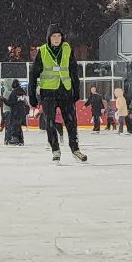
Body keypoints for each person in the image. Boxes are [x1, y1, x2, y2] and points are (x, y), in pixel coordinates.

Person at [30, 26, 88, 163]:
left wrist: (76, 90)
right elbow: (33, 73)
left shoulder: (67, 49)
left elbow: (73, 71)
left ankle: (75, 149)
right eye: (54, 36)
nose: (57, 39)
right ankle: (55, 150)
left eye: (59, 36)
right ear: (49, 38)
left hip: (65, 91)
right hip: (48, 93)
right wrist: (32, 95)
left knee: (71, 122)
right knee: (50, 123)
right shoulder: (43, 51)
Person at [3, 79, 28, 145]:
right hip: (22, 110)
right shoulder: (22, 91)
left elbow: (10, 103)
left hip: (15, 111)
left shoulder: (14, 92)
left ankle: (15, 138)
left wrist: (3, 100)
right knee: (18, 125)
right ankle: (21, 140)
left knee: (14, 125)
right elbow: (25, 102)